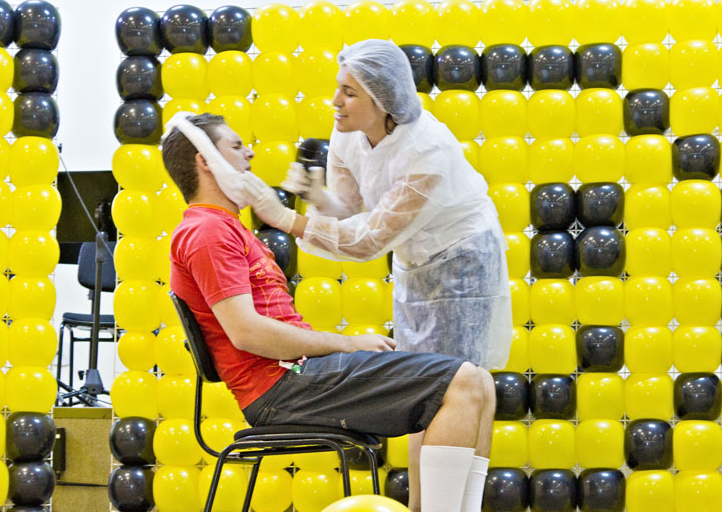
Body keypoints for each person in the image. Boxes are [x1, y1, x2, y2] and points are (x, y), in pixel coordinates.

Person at [162, 113, 496, 512]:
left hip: (296, 376)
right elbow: (247, 333)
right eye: (236, 146)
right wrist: (349, 343)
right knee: (462, 382)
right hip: (280, 388)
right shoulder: (207, 231)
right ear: (205, 161)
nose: (249, 152)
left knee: (481, 384)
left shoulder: (226, 227)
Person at [249, 39, 513, 511]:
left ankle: (442, 507)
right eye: (338, 87)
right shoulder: (347, 136)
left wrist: (286, 219)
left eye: (349, 92)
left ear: (383, 99)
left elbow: (368, 240)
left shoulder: (427, 151)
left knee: (456, 385)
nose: (335, 101)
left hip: (462, 260)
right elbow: (351, 211)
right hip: (414, 262)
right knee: (430, 387)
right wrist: (315, 196)